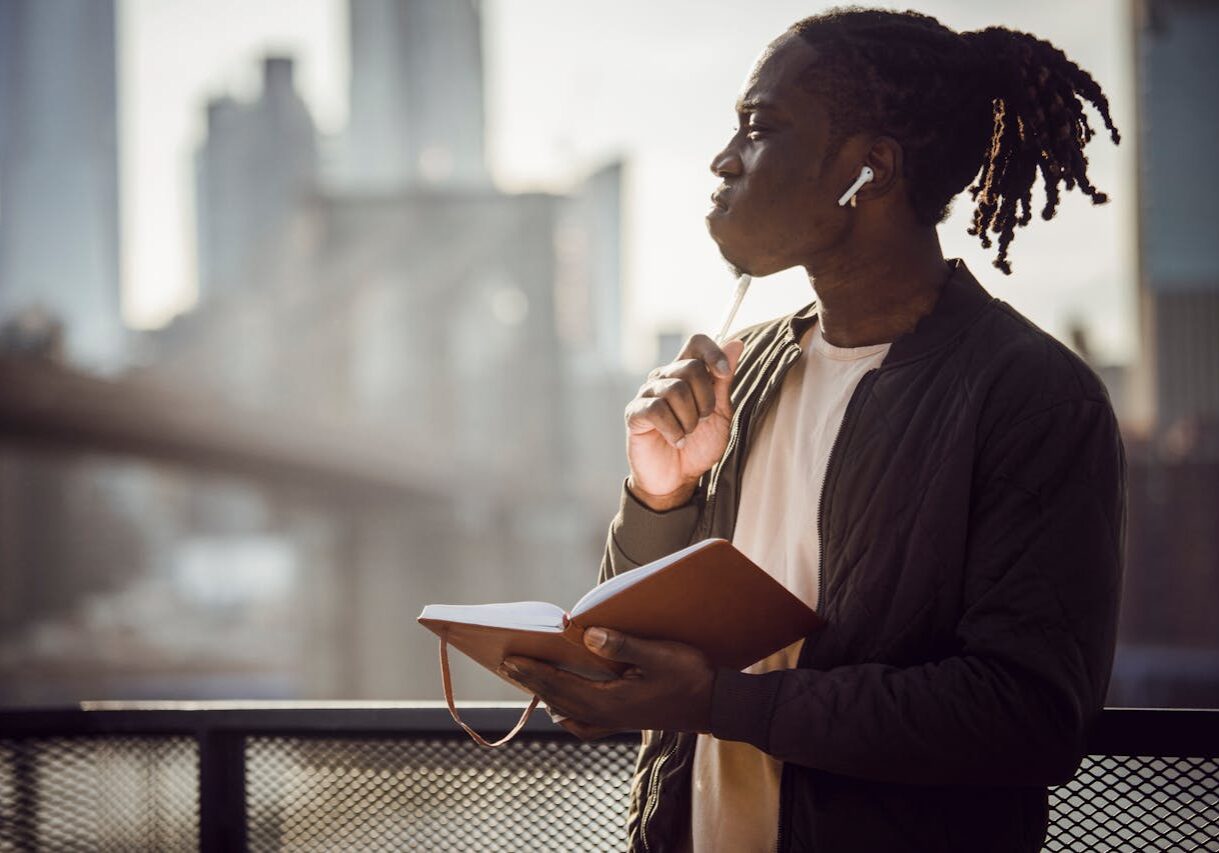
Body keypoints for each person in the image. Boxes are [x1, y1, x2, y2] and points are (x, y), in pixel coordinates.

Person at [499, 8, 1126, 852]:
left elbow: (1027, 714)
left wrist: (719, 703)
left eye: (759, 128)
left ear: (868, 171)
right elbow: (627, 655)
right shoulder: (743, 369)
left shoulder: (1032, 396)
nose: (724, 159)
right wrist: (660, 491)